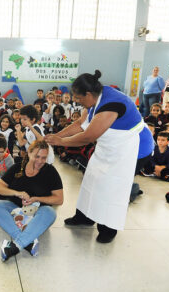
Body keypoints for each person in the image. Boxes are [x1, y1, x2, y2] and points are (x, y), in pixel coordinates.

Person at [45, 70, 154, 243]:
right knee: (92, 179)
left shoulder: (111, 104)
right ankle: (85, 217)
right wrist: (58, 136)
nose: (76, 101)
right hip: (110, 147)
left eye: (78, 98)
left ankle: (108, 228)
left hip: (133, 149)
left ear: (88, 94)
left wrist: (60, 141)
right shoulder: (94, 99)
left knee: (113, 189)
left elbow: (88, 136)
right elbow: (81, 124)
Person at [0, 140, 63, 261]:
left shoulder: (50, 171)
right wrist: (17, 193)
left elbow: (59, 199)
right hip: (17, 210)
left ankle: (16, 246)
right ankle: (27, 242)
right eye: (37, 156)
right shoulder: (17, 168)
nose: (40, 161)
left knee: (50, 212)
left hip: (38, 214)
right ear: (29, 153)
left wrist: (36, 198)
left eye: (44, 158)